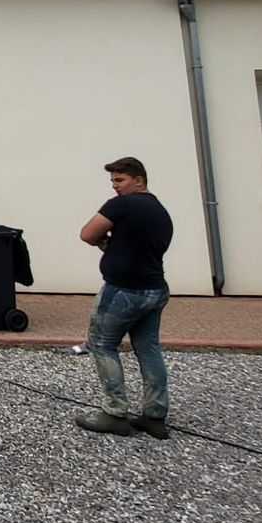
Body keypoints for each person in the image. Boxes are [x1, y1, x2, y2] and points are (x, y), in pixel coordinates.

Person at [73, 156, 174, 439]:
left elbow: (87, 233)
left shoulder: (122, 205)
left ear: (138, 180)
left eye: (120, 180)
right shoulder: (160, 211)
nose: (115, 186)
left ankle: (114, 412)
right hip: (155, 289)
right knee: (148, 348)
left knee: (102, 344)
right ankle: (155, 415)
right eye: (113, 181)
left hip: (123, 290)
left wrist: (101, 241)